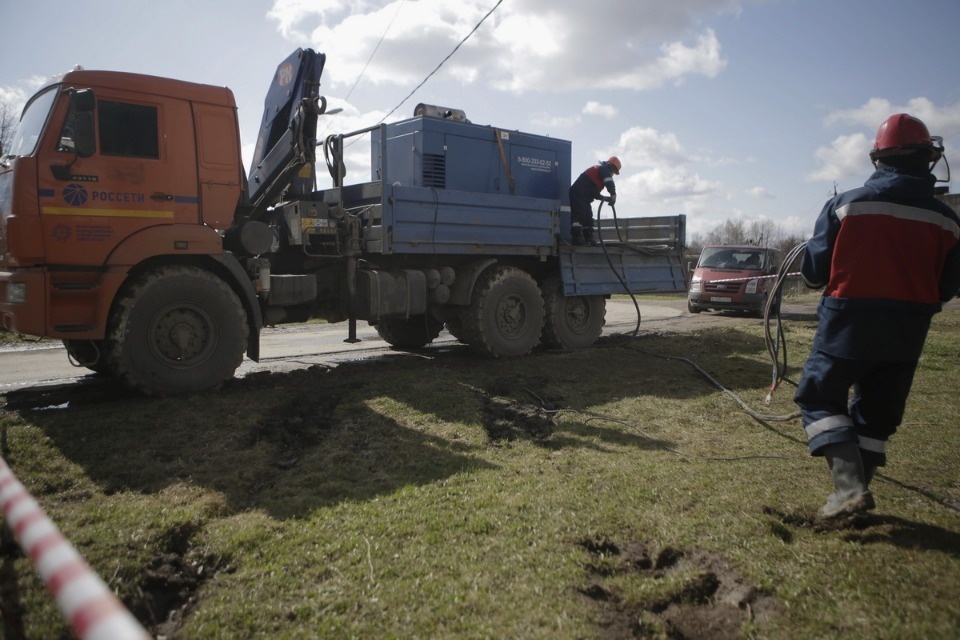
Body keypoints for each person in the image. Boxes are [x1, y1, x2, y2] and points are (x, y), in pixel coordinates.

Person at [794, 113, 960, 520]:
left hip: (848, 321)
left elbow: (814, 274)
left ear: (879, 158)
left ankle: (849, 490)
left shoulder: (845, 206)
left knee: (818, 396)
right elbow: (947, 286)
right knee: (876, 414)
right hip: (909, 328)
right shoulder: (949, 222)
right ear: (927, 159)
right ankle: (855, 496)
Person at [569, 156, 621, 245]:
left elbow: (593, 192)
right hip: (578, 194)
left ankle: (589, 239)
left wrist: (605, 198)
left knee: (588, 217)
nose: (612, 175)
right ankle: (576, 239)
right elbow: (608, 180)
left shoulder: (597, 174)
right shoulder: (603, 169)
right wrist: (613, 193)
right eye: (614, 172)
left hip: (584, 196)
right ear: (611, 167)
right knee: (579, 215)